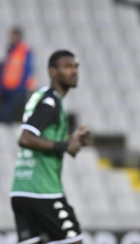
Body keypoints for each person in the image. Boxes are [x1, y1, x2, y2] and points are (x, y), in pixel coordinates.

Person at [10, 50, 90, 244]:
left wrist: (72, 141)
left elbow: (41, 137)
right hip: (43, 192)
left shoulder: (41, 96)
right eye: (67, 66)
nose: (74, 71)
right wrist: (65, 145)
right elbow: (25, 138)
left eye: (75, 66)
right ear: (53, 72)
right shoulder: (51, 103)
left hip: (21, 190)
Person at [0, 27, 36, 124]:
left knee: (7, 112)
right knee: (5, 113)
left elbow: (28, 69)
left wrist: (24, 85)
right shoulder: (9, 49)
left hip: (18, 87)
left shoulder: (24, 51)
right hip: (6, 86)